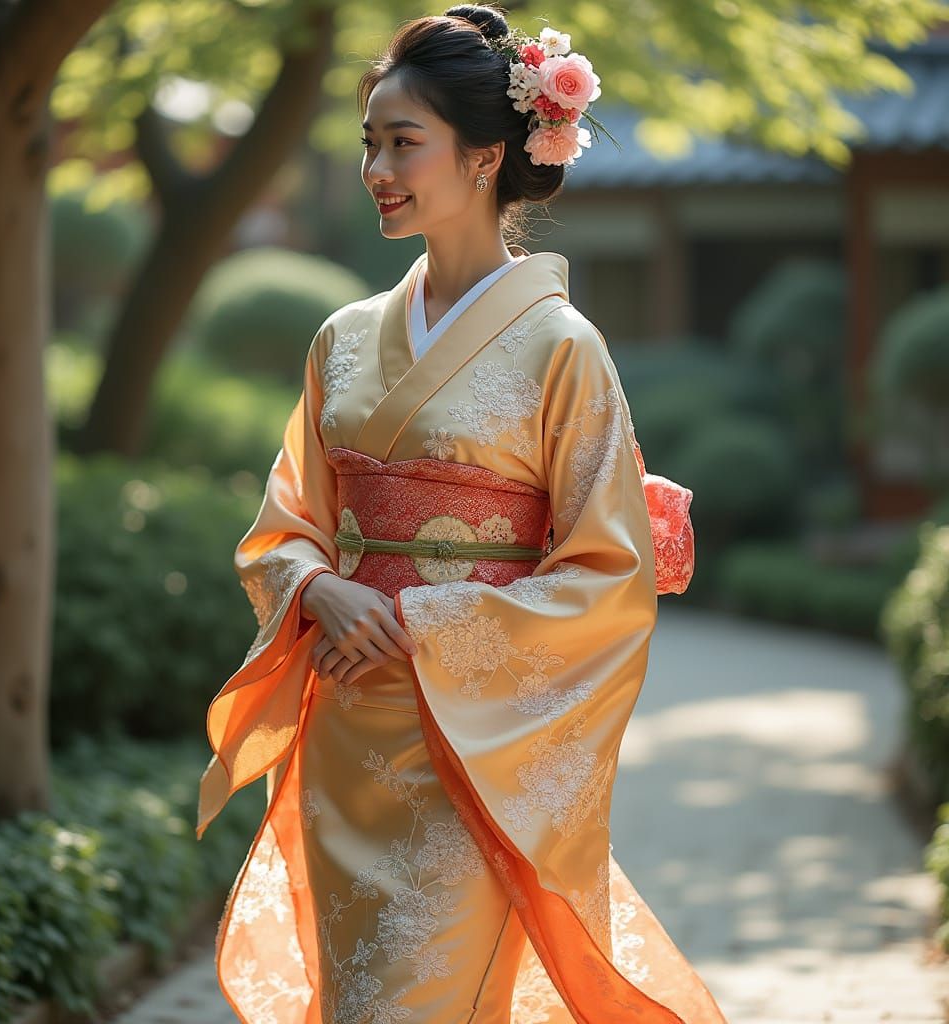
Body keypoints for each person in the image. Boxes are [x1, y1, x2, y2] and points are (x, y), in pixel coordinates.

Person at [195, 5, 726, 1023]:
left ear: (485, 157)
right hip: (346, 729)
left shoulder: (561, 348)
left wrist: (426, 626)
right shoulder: (342, 340)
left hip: (471, 748)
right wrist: (316, 588)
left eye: (403, 142)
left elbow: (608, 572)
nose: (376, 168)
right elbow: (284, 518)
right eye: (368, 143)